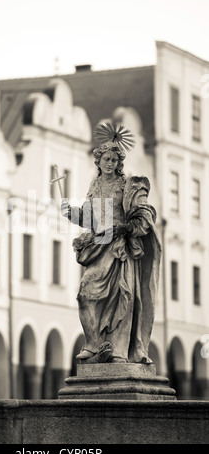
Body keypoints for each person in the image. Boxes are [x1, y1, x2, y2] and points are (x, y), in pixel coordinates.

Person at [61, 120, 161, 364]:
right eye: (105, 159)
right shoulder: (94, 184)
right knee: (85, 293)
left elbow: (145, 215)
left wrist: (126, 227)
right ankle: (93, 344)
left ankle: (117, 351)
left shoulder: (127, 185)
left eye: (114, 160)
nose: (109, 163)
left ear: (119, 163)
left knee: (121, 299)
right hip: (98, 246)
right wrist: (71, 212)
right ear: (99, 161)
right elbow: (89, 216)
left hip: (119, 249)